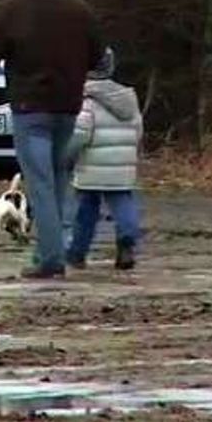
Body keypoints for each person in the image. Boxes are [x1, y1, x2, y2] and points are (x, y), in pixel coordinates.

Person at [0, 0, 104, 279]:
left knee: (40, 182)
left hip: (30, 108)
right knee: (59, 179)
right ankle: (57, 247)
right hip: (67, 106)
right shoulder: (80, 10)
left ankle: (49, 258)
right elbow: (98, 57)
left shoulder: (11, 10)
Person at [64, 48, 143, 271]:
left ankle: (77, 252)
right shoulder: (128, 97)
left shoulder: (86, 98)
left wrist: (66, 156)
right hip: (122, 165)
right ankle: (127, 239)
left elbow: (80, 134)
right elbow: (138, 129)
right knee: (123, 203)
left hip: (91, 165)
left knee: (85, 211)